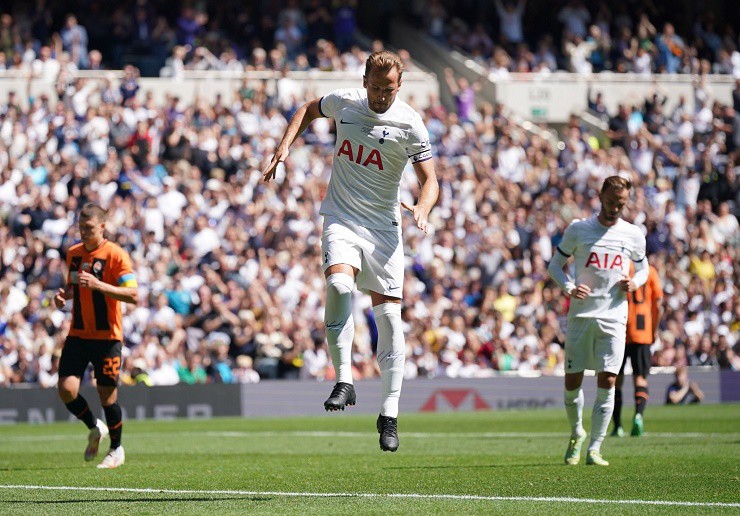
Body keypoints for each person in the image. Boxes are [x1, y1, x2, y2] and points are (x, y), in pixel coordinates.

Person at [262, 50, 439, 452]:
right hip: (341, 217)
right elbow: (308, 109)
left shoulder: (410, 123)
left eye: (388, 90)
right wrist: (284, 147)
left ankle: (389, 414)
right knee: (340, 288)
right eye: (375, 88)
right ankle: (344, 379)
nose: (380, 96)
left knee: (391, 317)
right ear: (364, 82)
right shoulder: (345, 102)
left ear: (400, 87)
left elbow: (431, 180)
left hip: (385, 228)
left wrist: (424, 207)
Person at [547, 176, 649, 466]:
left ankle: (595, 447)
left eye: (622, 204)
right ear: (600, 196)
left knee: (608, 380)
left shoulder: (632, 234)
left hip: (614, 317)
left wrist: (635, 282)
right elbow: (554, 266)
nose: (616, 208)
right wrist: (569, 287)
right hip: (581, 315)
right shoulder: (579, 230)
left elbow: (644, 269)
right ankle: (576, 433)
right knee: (572, 383)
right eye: (611, 202)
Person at [54, 203, 138, 469]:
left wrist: (99, 284)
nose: (83, 233)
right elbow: (74, 287)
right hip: (78, 333)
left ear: (102, 227)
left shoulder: (116, 255)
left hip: (107, 337)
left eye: (88, 228)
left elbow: (133, 295)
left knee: (107, 396)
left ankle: (116, 449)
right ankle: (94, 426)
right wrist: (63, 296)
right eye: (80, 228)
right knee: (66, 390)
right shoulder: (74, 253)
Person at [611, 263, 663, 437]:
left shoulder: (620, 267)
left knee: (615, 380)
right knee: (640, 378)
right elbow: (658, 305)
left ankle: (617, 425)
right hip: (643, 331)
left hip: (620, 329)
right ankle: (638, 416)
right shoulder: (650, 271)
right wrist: (654, 330)